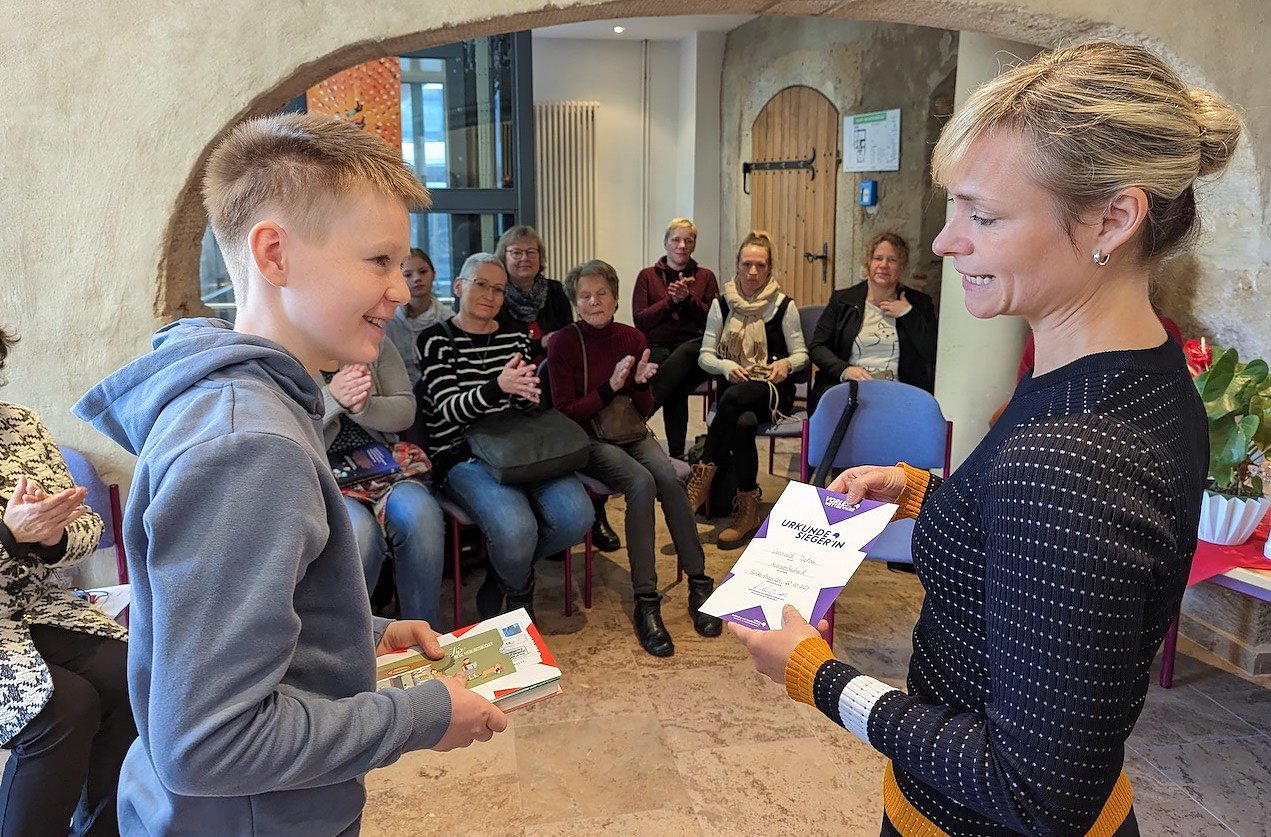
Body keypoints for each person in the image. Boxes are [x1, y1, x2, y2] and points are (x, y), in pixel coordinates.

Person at [730, 41, 1242, 836]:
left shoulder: (1073, 456)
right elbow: (1042, 552)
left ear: (1112, 218)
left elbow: (1033, 791)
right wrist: (920, 492)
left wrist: (818, 674)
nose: (943, 242)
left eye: (983, 214)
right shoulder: (1138, 367)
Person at [74, 113, 507, 835]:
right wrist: (422, 716)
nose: (398, 289)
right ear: (274, 254)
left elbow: (230, 624)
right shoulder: (248, 445)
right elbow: (209, 742)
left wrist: (359, 633)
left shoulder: (251, 398)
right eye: (378, 260)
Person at [548, 259, 724, 657]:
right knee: (640, 483)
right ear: (575, 302)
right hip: (586, 438)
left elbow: (641, 409)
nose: (594, 302)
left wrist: (642, 385)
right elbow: (564, 412)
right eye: (585, 296)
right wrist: (610, 387)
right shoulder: (563, 342)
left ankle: (699, 582)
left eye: (601, 294)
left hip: (628, 430)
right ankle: (647, 600)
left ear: (615, 297)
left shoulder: (631, 337)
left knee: (669, 477)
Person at [0, 327, 135, 836]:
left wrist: (53, 538)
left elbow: (87, 526)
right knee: (62, 708)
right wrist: (9, 537)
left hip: (34, 607)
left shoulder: (19, 425)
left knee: (132, 676)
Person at [416, 253, 593, 622]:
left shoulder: (515, 336)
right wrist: (498, 387)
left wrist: (528, 393)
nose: (490, 295)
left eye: (498, 289)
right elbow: (449, 410)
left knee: (576, 516)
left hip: (518, 446)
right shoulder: (435, 340)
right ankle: (519, 591)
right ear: (459, 286)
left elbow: (525, 407)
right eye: (481, 284)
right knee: (515, 530)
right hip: (462, 454)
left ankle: (504, 573)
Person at [493, 226, 620, 553]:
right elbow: (499, 345)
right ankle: (542, 516)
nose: (524, 258)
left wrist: (555, 347)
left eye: (531, 252)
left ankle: (596, 515)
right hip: (515, 382)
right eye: (516, 252)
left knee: (580, 430)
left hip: (559, 377)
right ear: (504, 257)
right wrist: (540, 344)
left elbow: (572, 335)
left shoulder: (555, 291)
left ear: (541, 257)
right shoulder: (496, 293)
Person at [688, 231, 808, 549]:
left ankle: (704, 470)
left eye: (760, 265)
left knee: (733, 398)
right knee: (743, 423)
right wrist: (726, 366)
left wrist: (787, 364)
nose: (753, 272)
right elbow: (705, 355)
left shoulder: (783, 306)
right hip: (736, 387)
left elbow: (801, 354)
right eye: (747, 264)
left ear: (770, 269)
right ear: (737, 265)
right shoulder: (721, 304)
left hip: (772, 390)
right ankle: (748, 510)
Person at [318, 335, 446, 626]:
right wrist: (332, 398)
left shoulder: (374, 340)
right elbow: (284, 424)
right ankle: (353, 638)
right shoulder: (292, 346)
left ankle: (423, 630)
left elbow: (405, 411)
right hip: (323, 472)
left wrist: (363, 407)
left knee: (422, 514)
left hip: (382, 462)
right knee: (358, 533)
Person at [807, 232, 938, 412]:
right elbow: (818, 347)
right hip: (850, 389)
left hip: (900, 391)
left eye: (892, 260)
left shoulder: (919, 304)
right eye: (878, 258)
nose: (884, 265)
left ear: (901, 267)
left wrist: (908, 314)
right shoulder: (843, 300)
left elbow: (932, 351)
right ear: (868, 263)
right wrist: (845, 370)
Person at [632, 218, 720, 460]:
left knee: (686, 353)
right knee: (677, 382)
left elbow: (714, 321)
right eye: (676, 240)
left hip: (696, 351)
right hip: (659, 348)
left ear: (694, 245)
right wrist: (671, 302)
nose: (682, 245)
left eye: (688, 240)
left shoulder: (706, 276)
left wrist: (688, 299)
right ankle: (678, 455)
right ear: (665, 243)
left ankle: (639, 415)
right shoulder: (647, 276)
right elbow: (641, 320)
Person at [385, 248, 454, 388]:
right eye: (407, 275)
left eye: (423, 272)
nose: (417, 278)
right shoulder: (388, 320)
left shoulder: (448, 320)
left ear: (434, 274)